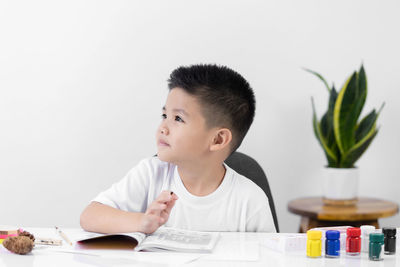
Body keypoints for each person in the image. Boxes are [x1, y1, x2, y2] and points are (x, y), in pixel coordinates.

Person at [80, 64, 276, 234]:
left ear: (218, 139)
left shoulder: (250, 200)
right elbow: (90, 216)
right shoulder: (150, 173)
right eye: (164, 115)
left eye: (178, 119)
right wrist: (142, 222)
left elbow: (272, 258)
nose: (163, 127)